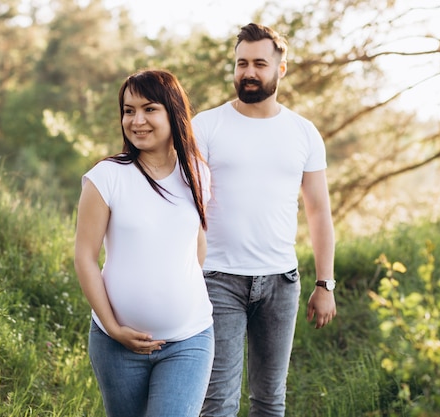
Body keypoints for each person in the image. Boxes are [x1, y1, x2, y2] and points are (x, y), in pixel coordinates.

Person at [193, 23, 337, 417]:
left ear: (281, 69)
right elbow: (188, 207)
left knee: (270, 401)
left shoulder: (304, 133)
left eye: (259, 63)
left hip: (281, 282)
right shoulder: (205, 126)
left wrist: (325, 282)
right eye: (241, 63)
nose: (249, 72)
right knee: (218, 401)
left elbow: (319, 211)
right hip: (217, 280)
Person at [74, 69, 214, 417]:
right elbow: (85, 257)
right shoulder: (106, 177)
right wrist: (114, 327)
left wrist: (174, 296)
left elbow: (196, 245)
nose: (136, 120)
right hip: (116, 345)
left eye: (149, 109)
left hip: (189, 338)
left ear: (172, 111)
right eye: (128, 110)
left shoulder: (197, 173)